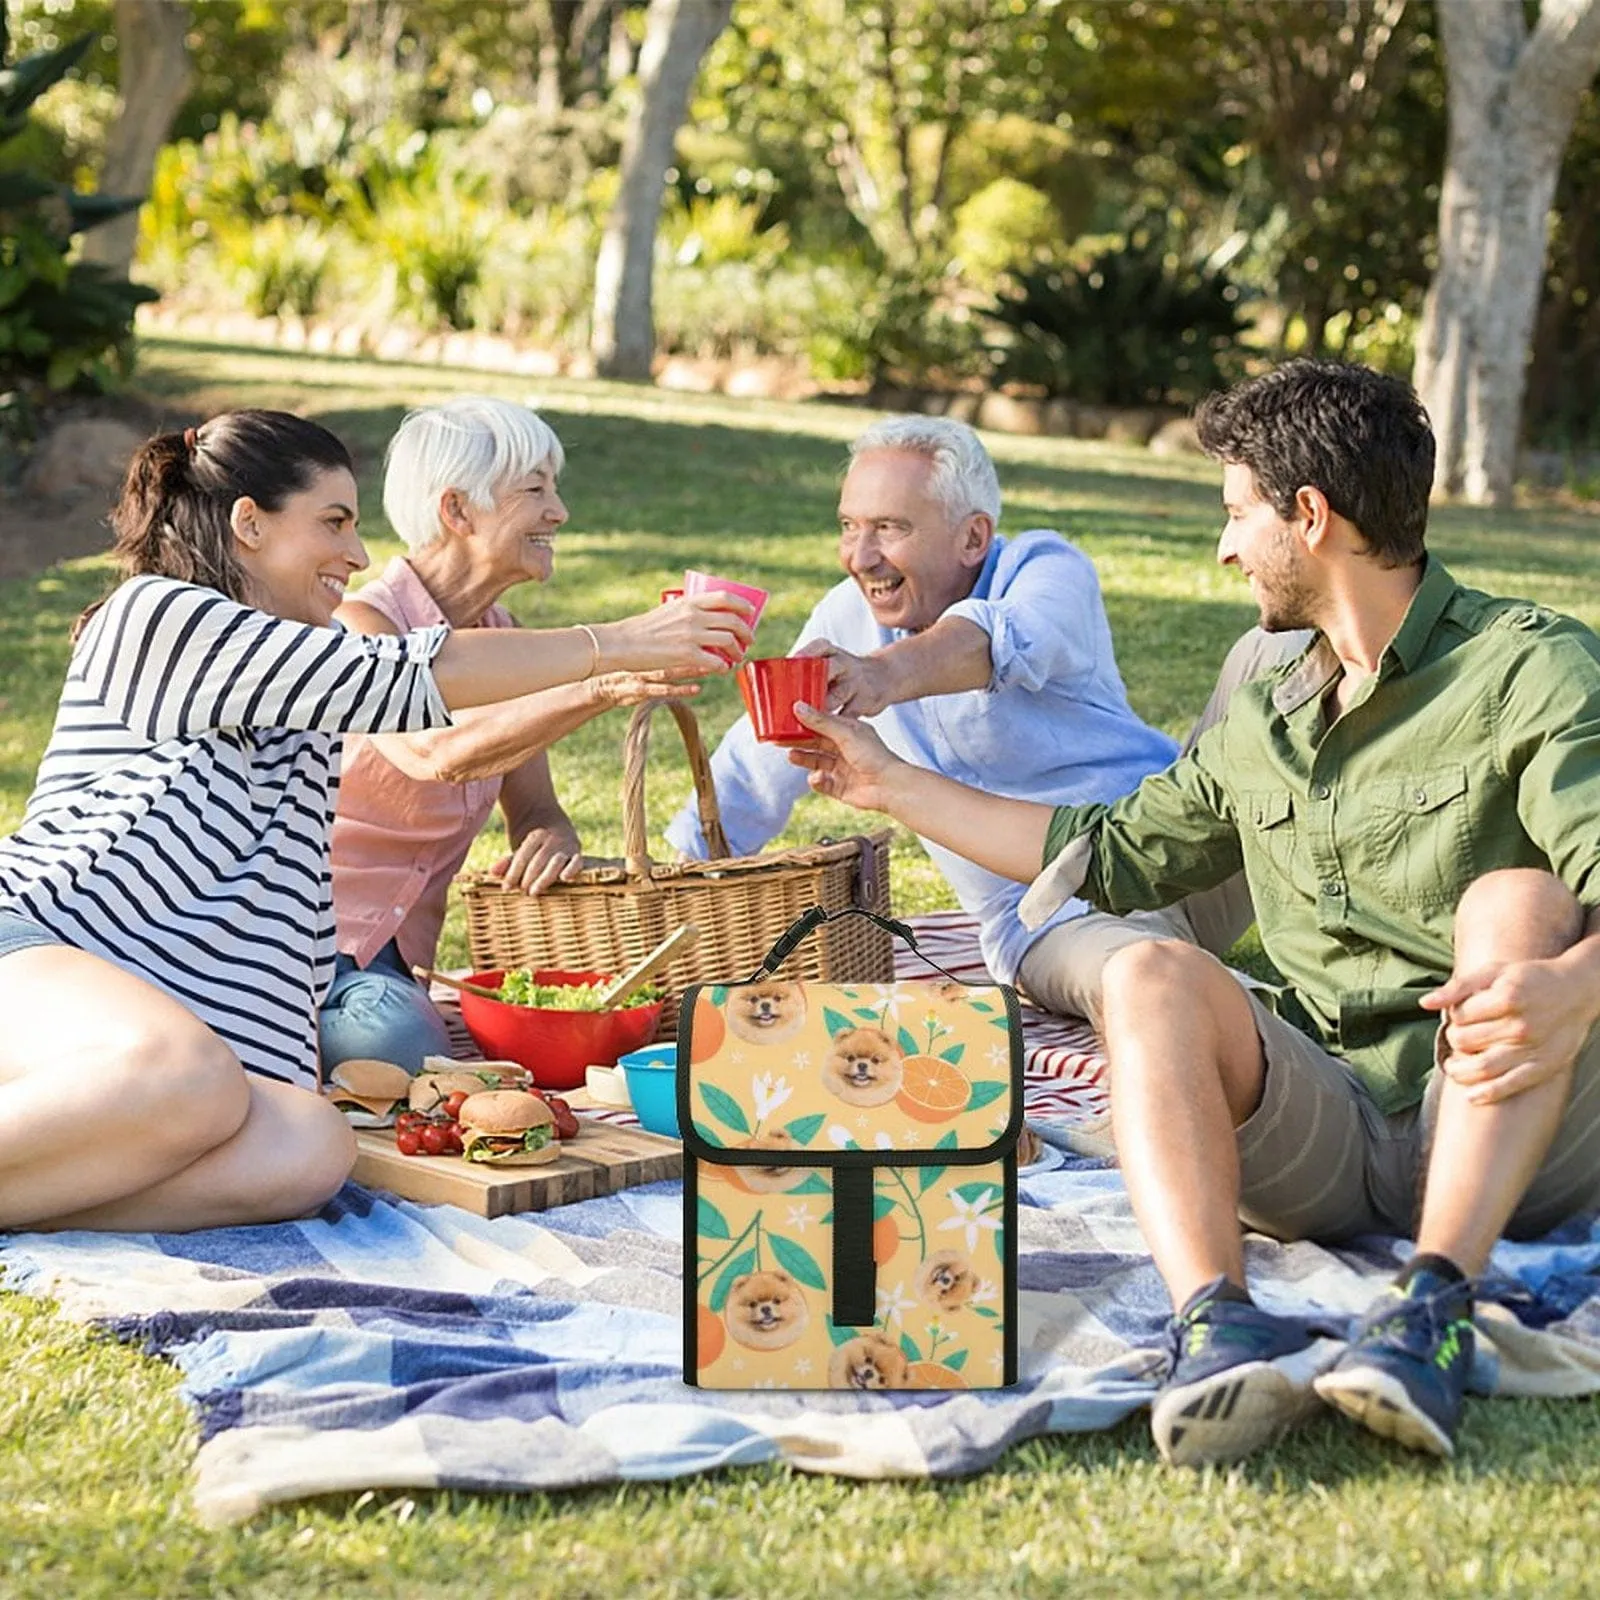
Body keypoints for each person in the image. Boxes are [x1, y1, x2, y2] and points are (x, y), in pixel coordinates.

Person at [784, 361, 1600, 1467]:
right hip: (1335, 1131)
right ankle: (1217, 1326)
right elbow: (1105, 850)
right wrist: (882, 780)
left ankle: (1430, 1310)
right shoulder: (1268, 712)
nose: (1222, 548)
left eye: (1234, 515)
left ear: (1309, 517)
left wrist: (1571, 983)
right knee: (1145, 974)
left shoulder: (1528, 666)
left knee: (1519, 900)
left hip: (1518, 1122)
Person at [0, 410, 751, 1233]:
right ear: (249, 523)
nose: (357, 556)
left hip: (165, 1041)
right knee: (192, 1075)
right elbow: (397, 678)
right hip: (40, 954)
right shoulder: (158, 616)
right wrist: (618, 643)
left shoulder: (303, 707)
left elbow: (288, 925)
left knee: (310, 1144)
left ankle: (40, 1193)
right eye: (333, 523)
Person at [665, 414, 1291, 1010]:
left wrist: (881, 675)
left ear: (973, 537)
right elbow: (758, 759)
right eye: (849, 526)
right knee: (1153, 984)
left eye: (890, 528)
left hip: (1179, 846)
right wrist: (677, 874)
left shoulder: (1047, 570)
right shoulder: (844, 618)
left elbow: (996, 639)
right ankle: (1282, 1034)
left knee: (1280, 645)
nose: (861, 556)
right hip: (1053, 916)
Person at [323, 397, 697, 1074]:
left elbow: (535, 810)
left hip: (402, 960)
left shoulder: (505, 637)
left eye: (555, 489)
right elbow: (435, 751)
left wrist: (550, 837)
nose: (559, 512)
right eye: (535, 490)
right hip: (316, 943)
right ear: (457, 511)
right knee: (398, 1053)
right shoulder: (361, 627)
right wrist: (603, 680)